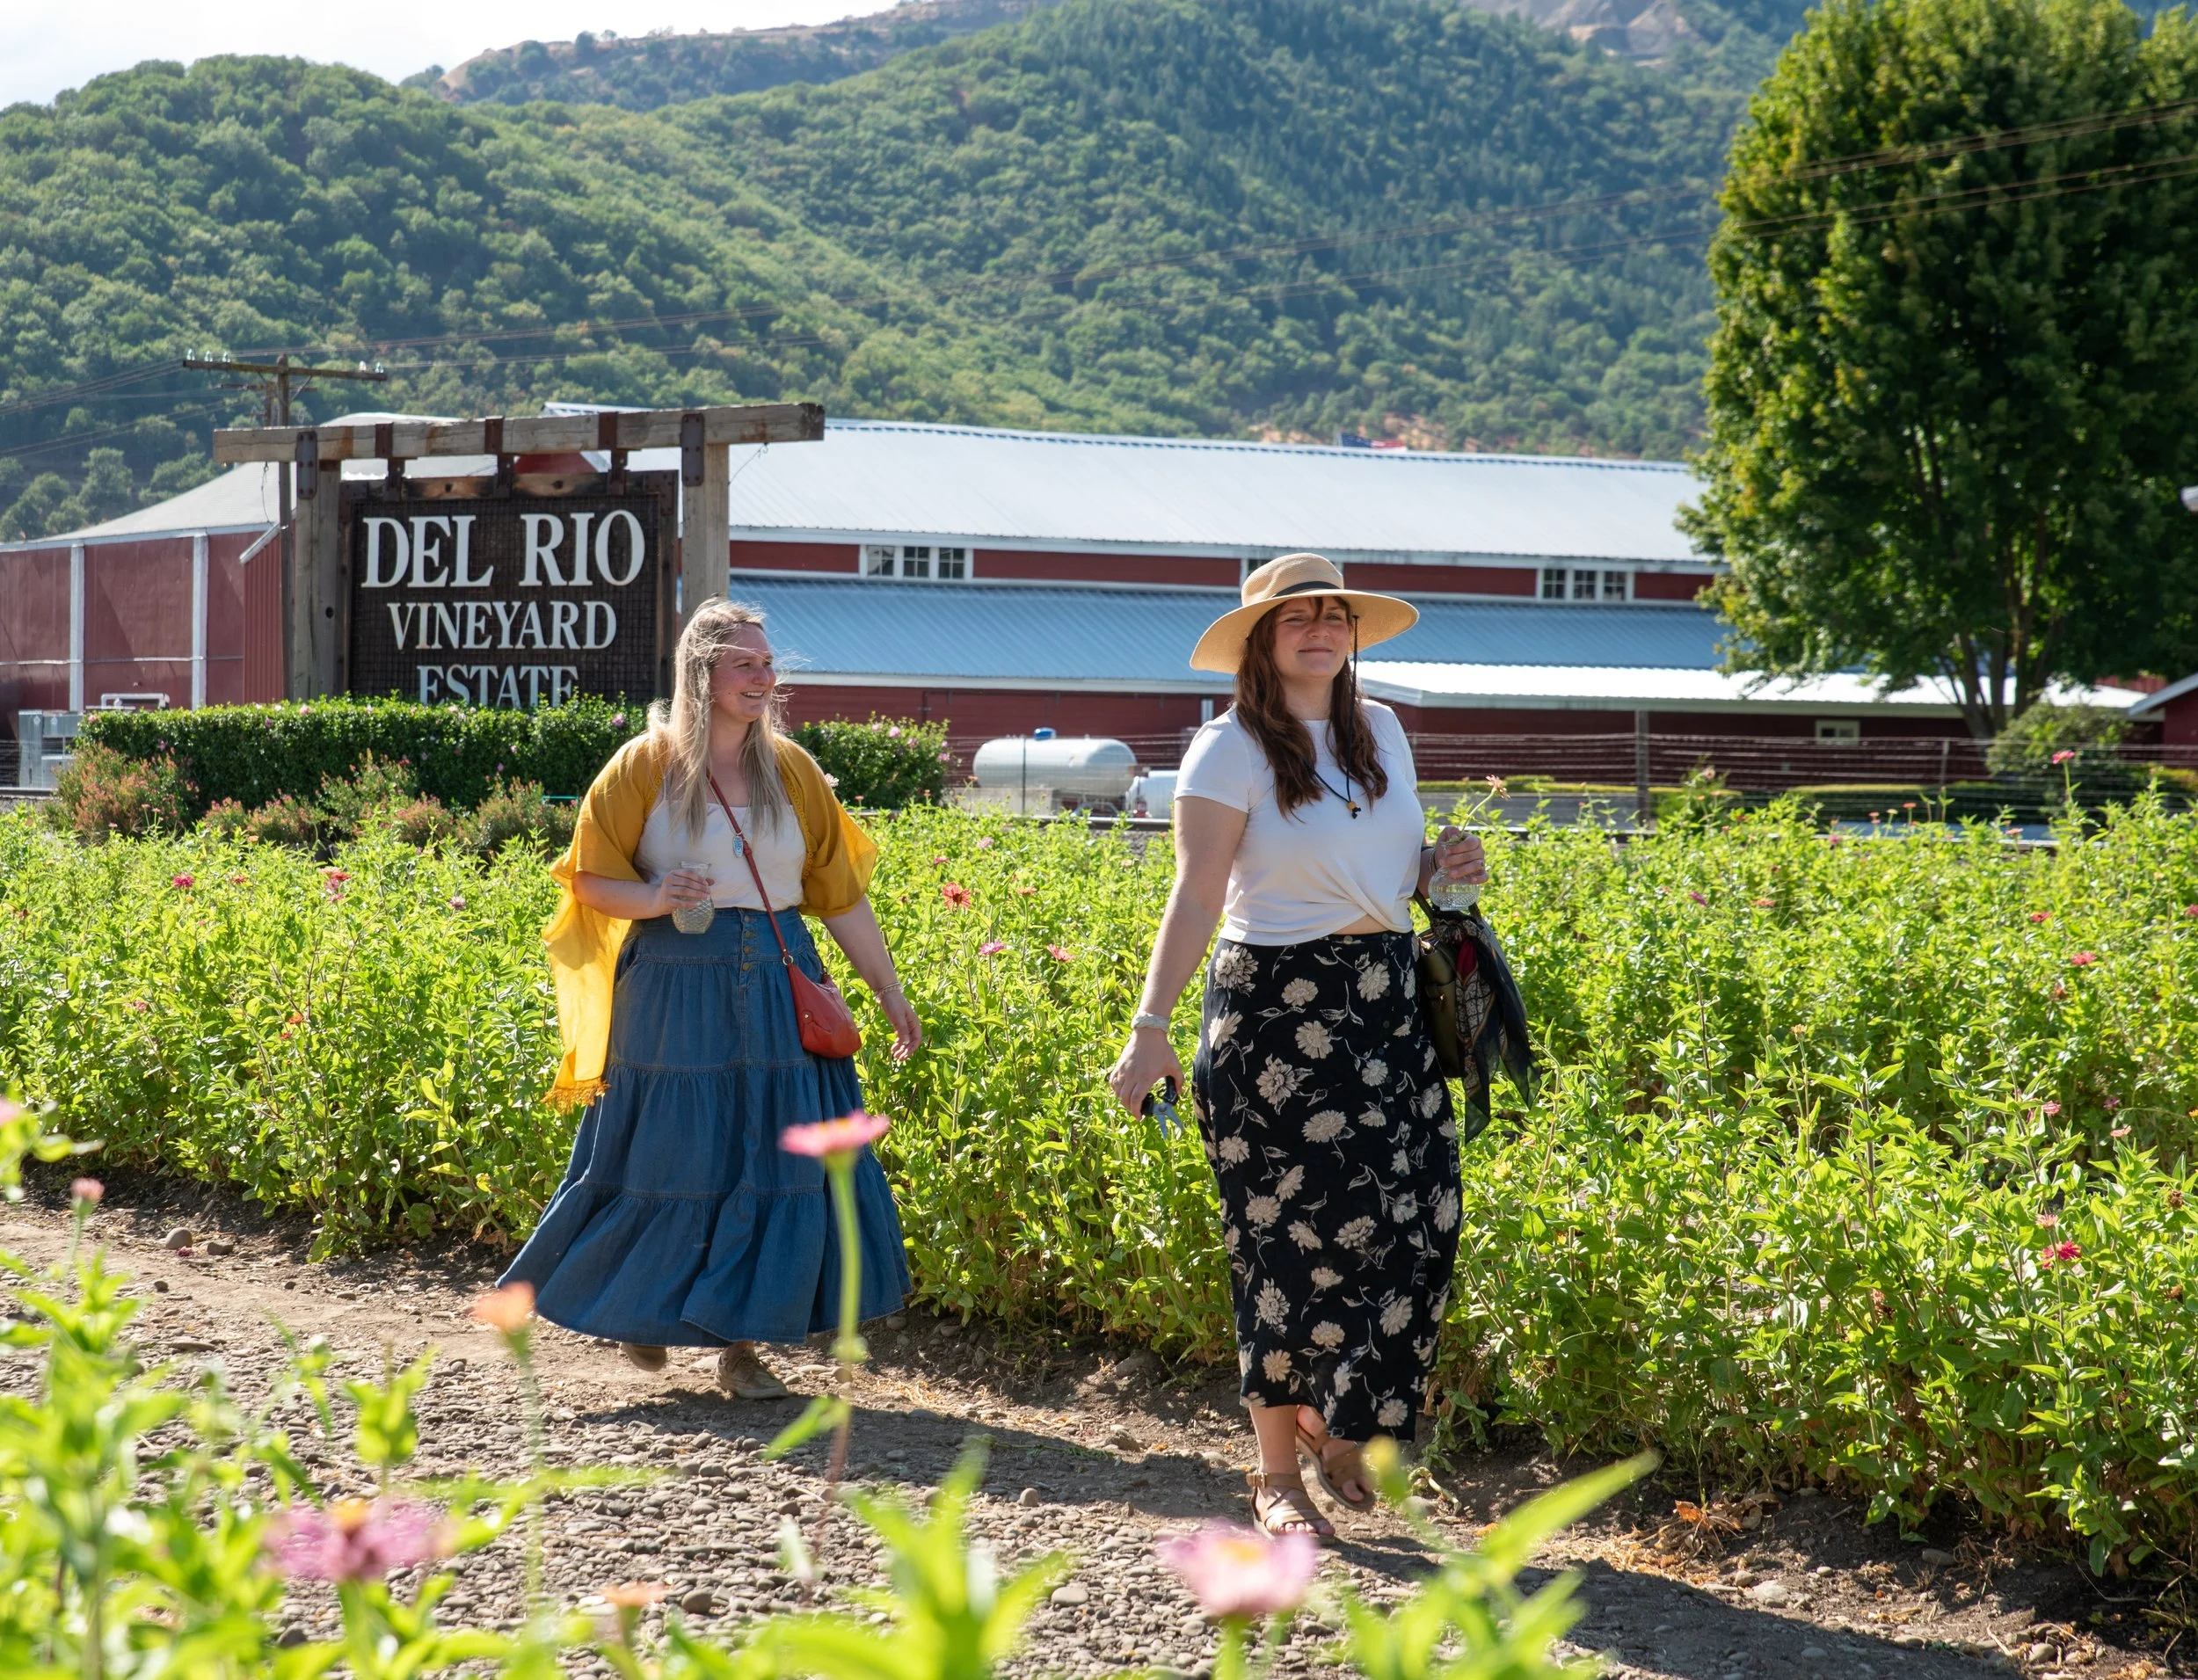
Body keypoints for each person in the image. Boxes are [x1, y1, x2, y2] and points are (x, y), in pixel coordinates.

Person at [1108, 553, 1486, 1540]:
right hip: (1273, 1012)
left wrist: (1441, 871)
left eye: (1333, 616)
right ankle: (1277, 1476)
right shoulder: (1225, 750)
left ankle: (1343, 1422)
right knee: (1284, 1251)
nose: (1320, 630)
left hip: (1384, 1002)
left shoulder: (1384, 733)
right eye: (1296, 618)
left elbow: (1388, 872)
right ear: (1260, 642)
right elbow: (1194, 896)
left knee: (1419, 1224)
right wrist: (1148, 1030)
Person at [504, 599, 921, 1399]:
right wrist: (658, 895)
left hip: (777, 976)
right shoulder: (643, 764)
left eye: (768, 664)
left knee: (770, 1158)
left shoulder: (793, 770)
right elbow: (587, 879)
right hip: (672, 984)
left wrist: (887, 988)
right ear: (702, 673)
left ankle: (741, 1347)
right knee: (668, 1156)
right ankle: (642, 1310)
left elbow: (837, 895)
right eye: (745, 664)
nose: (764, 677)